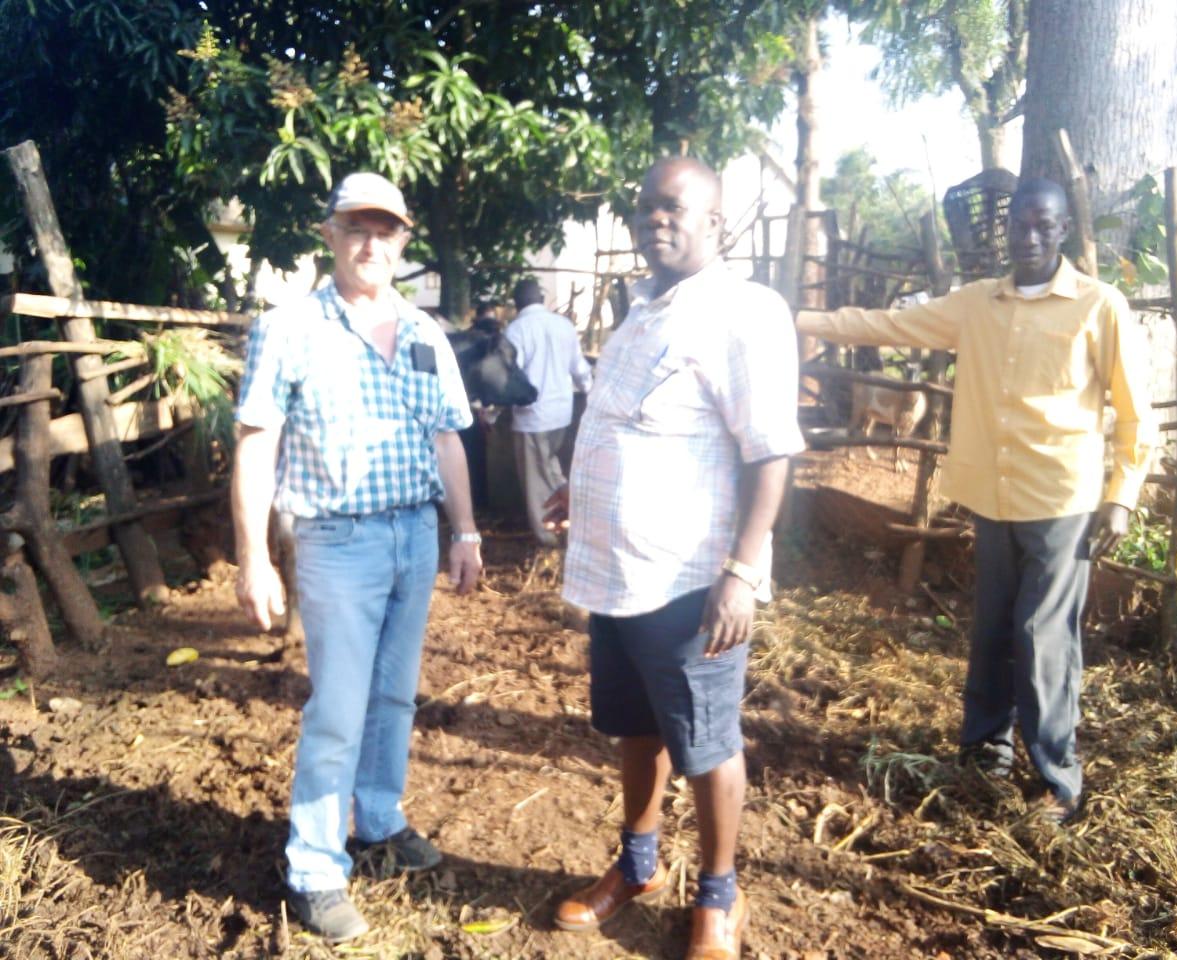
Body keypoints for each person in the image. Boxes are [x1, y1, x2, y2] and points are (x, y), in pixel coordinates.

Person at [796, 177, 1156, 823]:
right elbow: (889, 324)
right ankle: (984, 750)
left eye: (1043, 225)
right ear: (1007, 230)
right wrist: (800, 319)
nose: (1030, 236)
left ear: (1063, 231)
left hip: (1062, 498)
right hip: (992, 496)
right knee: (991, 624)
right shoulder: (975, 304)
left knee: (1042, 634)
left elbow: (1134, 413)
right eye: (1020, 224)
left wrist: (1121, 496)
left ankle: (1057, 779)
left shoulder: (1100, 306)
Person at [544, 157, 804, 960]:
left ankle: (718, 902)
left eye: (675, 208)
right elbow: (623, 426)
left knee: (708, 743)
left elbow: (770, 454)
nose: (657, 220)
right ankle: (638, 867)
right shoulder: (639, 312)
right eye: (646, 208)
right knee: (635, 730)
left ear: (716, 222)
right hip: (616, 574)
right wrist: (575, 498)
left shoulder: (744, 311)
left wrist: (742, 573)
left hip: (690, 581)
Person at [232, 171, 483, 942]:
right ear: (330, 234)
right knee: (338, 709)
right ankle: (313, 866)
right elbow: (256, 441)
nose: (372, 243)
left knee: (395, 697)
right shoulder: (291, 327)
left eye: (387, 230)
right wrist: (253, 557)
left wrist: (465, 531)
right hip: (337, 541)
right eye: (356, 228)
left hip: (415, 534)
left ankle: (376, 819)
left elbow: (448, 436)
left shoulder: (423, 333)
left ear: (405, 240)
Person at [503, 277, 593, 546]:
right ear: (541, 300)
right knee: (551, 469)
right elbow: (580, 368)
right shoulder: (564, 325)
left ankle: (550, 541)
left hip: (533, 417)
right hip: (562, 414)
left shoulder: (516, 331)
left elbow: (509, 378)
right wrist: (592, 394)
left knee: (539, 481)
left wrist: (492, 412)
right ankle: (569, 525)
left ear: (516, 303)